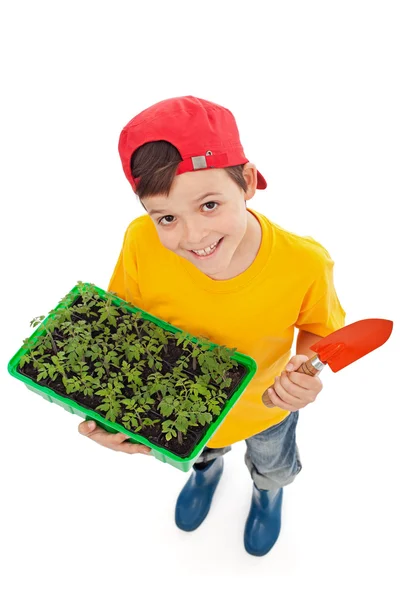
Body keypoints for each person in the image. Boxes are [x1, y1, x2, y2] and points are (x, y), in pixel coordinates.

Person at [78, 95, 346, 557]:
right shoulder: (141, 241)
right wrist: (107, 412)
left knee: (274, 465)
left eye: (208, 205)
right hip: (185, 405)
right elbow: (122, 323)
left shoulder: (304, 262)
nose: (193, 236)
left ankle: (267, 494)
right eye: (167, 217)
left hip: (264, 407)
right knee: (200, 452)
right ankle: (207, 472)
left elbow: (321, 328)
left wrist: (307, 370)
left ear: (245, 182)